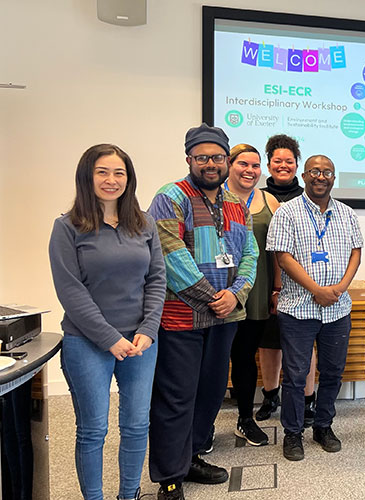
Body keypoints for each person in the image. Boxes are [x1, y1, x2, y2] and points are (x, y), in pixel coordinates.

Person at [147, 124, 258, 500]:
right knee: (176, 396)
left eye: (216, 157)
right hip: (181, 318)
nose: (210, 164)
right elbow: (170, 254)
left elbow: (250, 255)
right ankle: (170, 478)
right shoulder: (170, 196)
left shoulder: (236, 204)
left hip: (226, 317)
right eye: (202, 157)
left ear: (226, 160)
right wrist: (214, 296)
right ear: (189, 160)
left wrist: (236, 294)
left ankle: (192, 456)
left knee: (210, 393)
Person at [49, 144, 166, 500]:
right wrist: (109, 339)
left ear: (129, 179)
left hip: (141, 343)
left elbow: (157, 279)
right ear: (87, 176)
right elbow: (71, 292)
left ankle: (129, 495)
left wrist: (147, 330)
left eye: (119, 173)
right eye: (102, 172)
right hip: (87, 343)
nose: (111, 180)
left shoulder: (144, 223)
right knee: (93, 429)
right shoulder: (67, 227)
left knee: (136, 426)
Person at [266, 154, 363, 461]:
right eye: (315, 172)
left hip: (338, 307)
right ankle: (293, 433)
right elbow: (283, 257)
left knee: (333, 372)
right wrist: (317, 290)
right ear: (305, 176)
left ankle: (323, 426)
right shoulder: (287, 213)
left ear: (334, 178)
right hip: (298, 308)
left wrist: (340, 288)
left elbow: (356, 253)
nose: (321, 177)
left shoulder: (347, 214)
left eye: (328, 172)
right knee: (295, 375)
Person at [255, 134, 319, 428]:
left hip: (303, 284)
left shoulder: (310, 197)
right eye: (277, 160)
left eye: (289, 161)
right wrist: (274, 288)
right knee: (269, 343)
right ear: (268, 164)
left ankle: (308, 400)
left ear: (297, 165)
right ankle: (271, 396)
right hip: (265, 281)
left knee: (305, 345)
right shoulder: (256, 197)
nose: (283, 165)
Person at [226, 144, 281, 447]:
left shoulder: (269, 200)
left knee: (246, 356)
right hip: (221, 291)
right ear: (229, 165)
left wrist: (276, 288)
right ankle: (203, 424)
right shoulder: (214, 196)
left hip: (258, 290)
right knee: (218, 359)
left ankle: (245, 419)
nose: (250, 171)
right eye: (243, 164)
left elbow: (277, 251)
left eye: (256, 165)